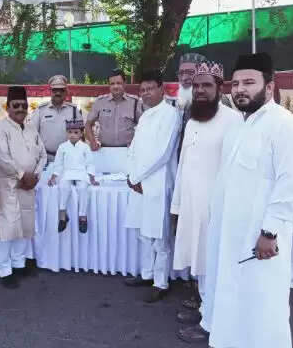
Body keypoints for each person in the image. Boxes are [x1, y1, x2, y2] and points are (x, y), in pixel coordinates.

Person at [202, 53, 293, 348]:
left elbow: (289, 187)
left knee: (262, 307)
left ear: (269, 87)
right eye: (236, 83)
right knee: (232, 301)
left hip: (260, 239)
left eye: (249, 82)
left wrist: (269, 232)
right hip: (230, 235)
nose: (240, 89)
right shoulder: (239, 125)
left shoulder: (286, 126)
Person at [170, 62, 242, 342]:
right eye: (196, 85)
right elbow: (183, 166)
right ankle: (205, 309)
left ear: (220, 88)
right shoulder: (192, 121)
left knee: (214, 266)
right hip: (191, 207)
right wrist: (176, 207)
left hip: (216, 210)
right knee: (199, 263)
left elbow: (236, 171)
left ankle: (212, 324)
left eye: (207, 85)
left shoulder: (234, 121)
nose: (200, 90)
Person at [124, 70, 180, 303]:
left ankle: (160, 282)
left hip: (158, 183)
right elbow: (133, 148)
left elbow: (163, 153)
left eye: (150, 89)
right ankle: (147, 274)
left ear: (161, 89)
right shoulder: (145, 115)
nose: (145, 93)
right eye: (142, 90)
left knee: (159, 236)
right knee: (143, 234)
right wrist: (131, 176)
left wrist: (138, 177)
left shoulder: (171, 114)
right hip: (138, 183)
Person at [0, 86, 47, 289]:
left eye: (23, 105)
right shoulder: (0, 129)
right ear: (8, 107)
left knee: (24, 226)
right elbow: (3, 158)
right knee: (6, 229)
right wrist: (23, 175)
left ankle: (18, 264)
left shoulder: (31, 129)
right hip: (7, 187)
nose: (20, 109)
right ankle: (4, 270)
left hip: (28, 186)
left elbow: (43, 155)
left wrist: (36, 175)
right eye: (16, 105)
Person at [47, 118, 99, 233]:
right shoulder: (62, 147)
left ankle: (82, 217)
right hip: (67, 172)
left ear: (81, 133)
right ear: (66, 133)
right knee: (63, 187)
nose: (72, 135)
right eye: (70, 132)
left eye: (76, 132)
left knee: (82, 188)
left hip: (81, 173)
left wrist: (92, 178)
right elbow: (58, 163)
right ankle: (62, 216)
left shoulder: (85, 147)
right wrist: (53, 177)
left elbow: (90, 163)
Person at [30, 75, 82, 162]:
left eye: (61, 90)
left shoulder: (74, 111)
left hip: (68, 158)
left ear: (66, 92)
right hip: (46, 158)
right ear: (50, 91)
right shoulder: (41, 110)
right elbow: (32, 134)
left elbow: (81, 136)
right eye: (55, 90)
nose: (58, 93)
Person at [85, 69, 140, 151]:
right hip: (104, 150)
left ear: (125, 83)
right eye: (112, 84)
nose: (115, 86)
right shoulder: (100, 102)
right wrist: (92, 141)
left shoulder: (135, 102)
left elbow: (144, 126)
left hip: (128, 150)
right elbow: (88, 124)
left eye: (119, 83)